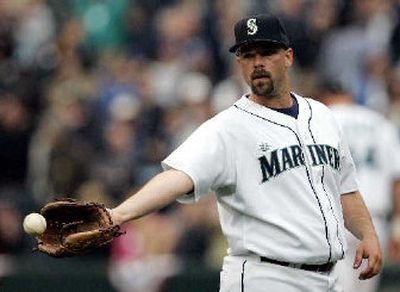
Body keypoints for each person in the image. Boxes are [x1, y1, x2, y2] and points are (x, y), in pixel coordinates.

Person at [109, 14, 382, 291]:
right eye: (248, 55)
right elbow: (178, 176)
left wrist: (368, 233)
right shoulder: (228, 127)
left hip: (327, 279)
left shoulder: (322, 116)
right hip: (264, 276)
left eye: (267, 52)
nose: (258, 62)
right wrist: (118, 215)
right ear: (239, 62)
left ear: (288, 57)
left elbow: (345, 189)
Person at [317, 82, 400, 292]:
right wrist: (397, 227)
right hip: (375, 222)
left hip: (335, 218)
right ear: (349, 95)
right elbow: (396, 179)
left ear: (325, 96)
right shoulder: (378, 121)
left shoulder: (321, 119)